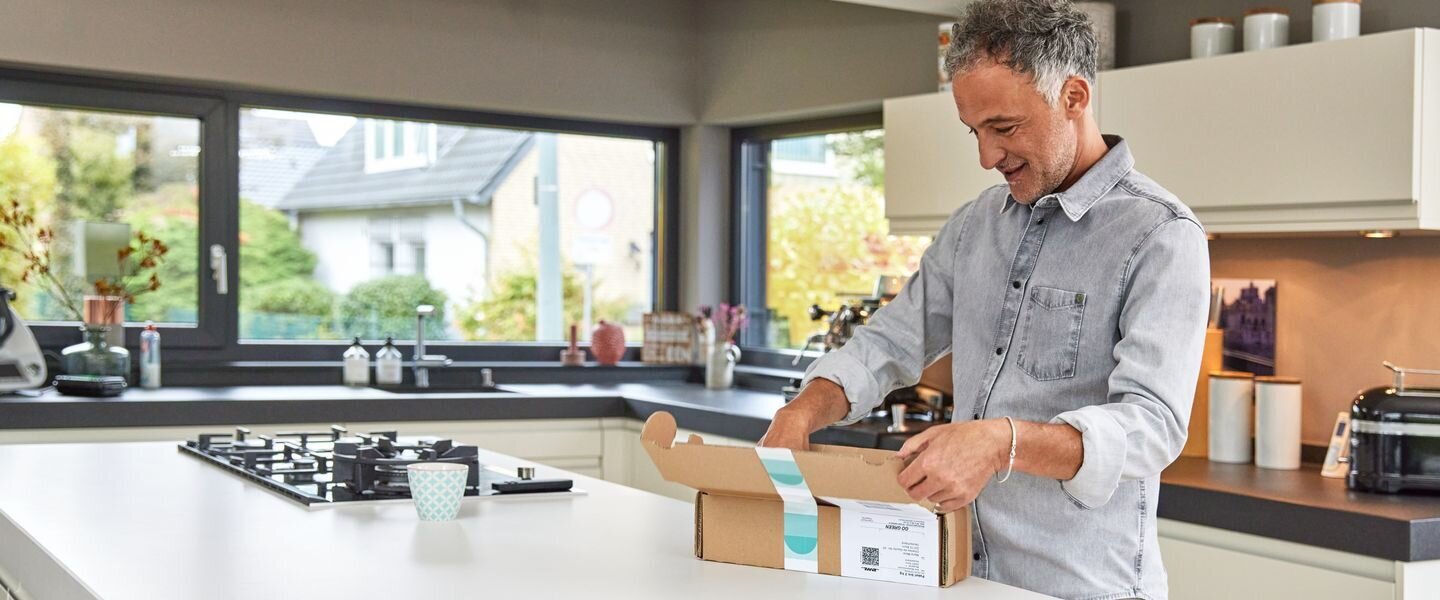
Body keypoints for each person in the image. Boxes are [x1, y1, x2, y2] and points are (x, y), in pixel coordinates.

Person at [758, 1, 1209, 598]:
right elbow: (891, 340)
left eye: (1004, 127)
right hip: (963, 576)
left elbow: (1152, 427)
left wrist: (1002, 441)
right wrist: (802, 411)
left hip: (1079, 587)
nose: (986, 156)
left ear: (1073, 98)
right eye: (975, 131)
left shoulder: (1161, 236)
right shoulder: (975, 226)